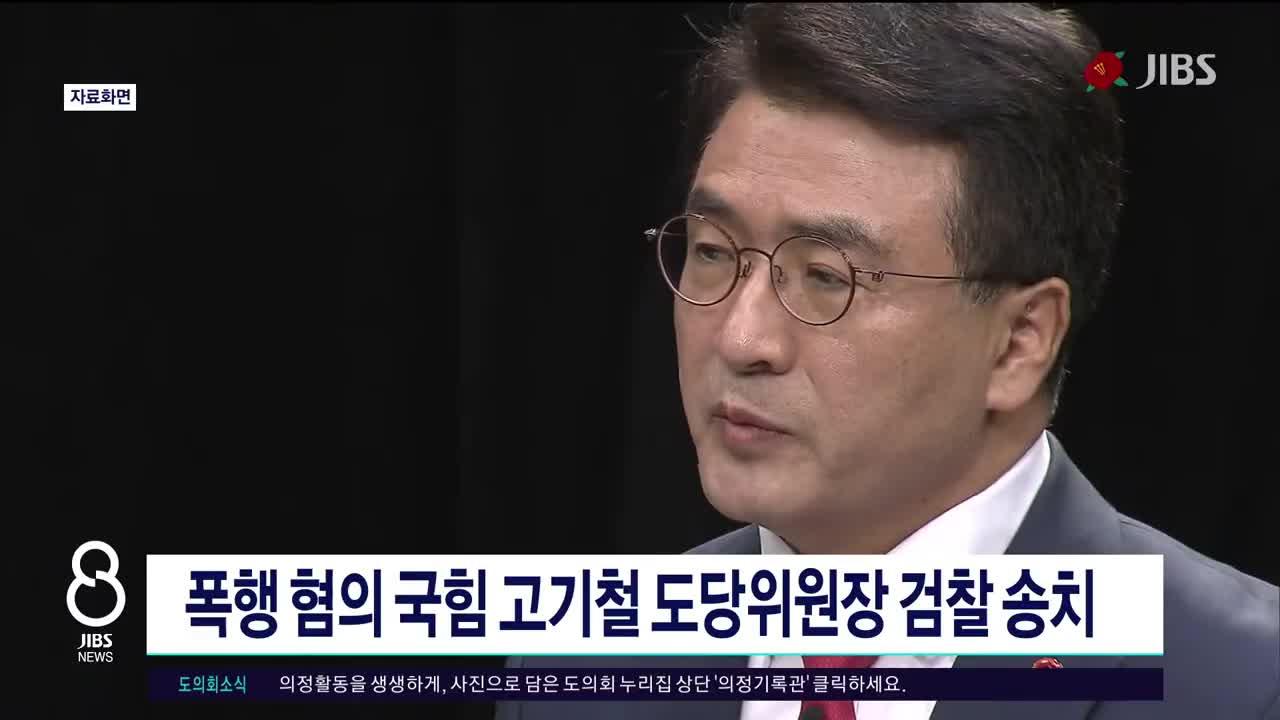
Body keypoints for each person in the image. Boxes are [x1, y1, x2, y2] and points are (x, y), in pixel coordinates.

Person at [495, 3, 1279, 719]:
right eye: (712, 252)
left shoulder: (1241, 686)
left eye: (826, 277)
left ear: (1019, 341)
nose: (740, 338)